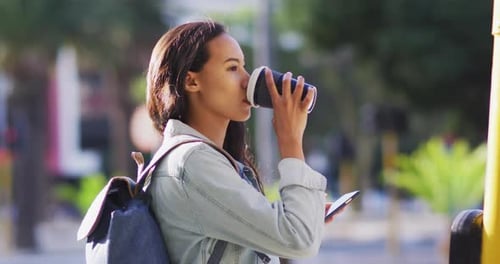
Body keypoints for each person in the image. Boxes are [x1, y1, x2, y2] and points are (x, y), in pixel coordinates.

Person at [146, 20, 330, 264]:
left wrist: (300, 214)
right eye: (232, 68)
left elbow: (289, 241)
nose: (247, 81)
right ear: (192, 81)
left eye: (244, 67)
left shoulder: (206, 159)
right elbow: (298, 240)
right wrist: (291, 140)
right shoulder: (193, 162)